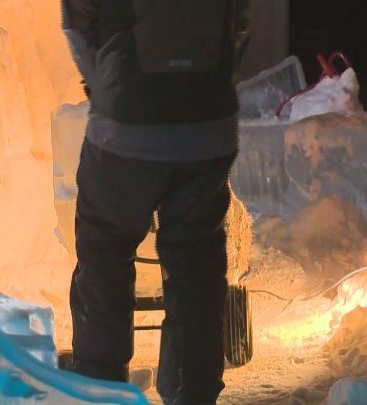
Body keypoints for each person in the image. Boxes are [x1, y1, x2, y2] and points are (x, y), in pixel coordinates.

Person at [61, 1, 251, 404]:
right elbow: (240, 22)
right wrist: (210, 83)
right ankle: (191, 392)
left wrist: (109, 89)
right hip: (208, 125)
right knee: (196, 260)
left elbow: (78, 27)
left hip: (125, 125)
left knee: (105, 248)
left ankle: (104, 391)